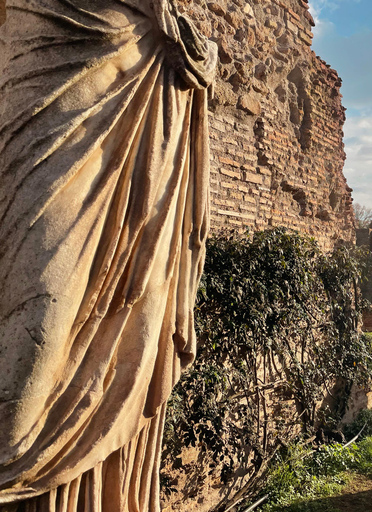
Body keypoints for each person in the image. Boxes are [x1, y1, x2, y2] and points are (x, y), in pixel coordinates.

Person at [0, 1, 216, 510]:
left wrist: (189, 46)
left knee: (134, 336)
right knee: (33, 346)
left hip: (147, 103)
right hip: (43, 101)